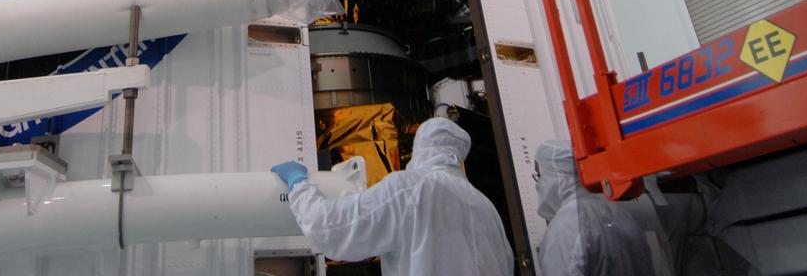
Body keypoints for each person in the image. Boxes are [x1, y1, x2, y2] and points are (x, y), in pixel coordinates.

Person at [271, 117, 514, 276]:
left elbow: (332, 229)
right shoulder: (486, 208)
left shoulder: (411, 188)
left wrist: (299, 184)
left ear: (421, 148)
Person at [534, 140, 655, 275]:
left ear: (558, 177)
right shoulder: (621, 215)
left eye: (540, 176)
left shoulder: (566, 226)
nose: (538, 184)